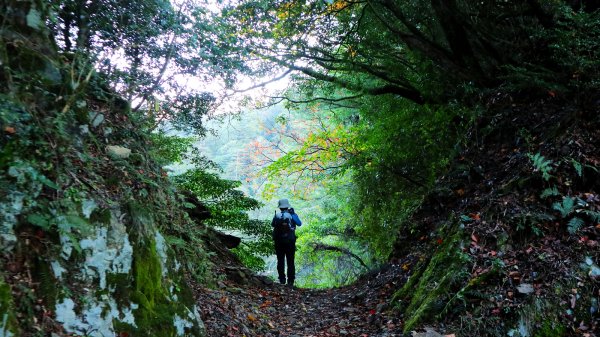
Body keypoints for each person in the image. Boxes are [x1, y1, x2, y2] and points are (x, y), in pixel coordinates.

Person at [271, 198, 302, 287]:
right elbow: (299, 224)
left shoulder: (277, 215)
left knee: (280, 260)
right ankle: (290, 281)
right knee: (290, 261)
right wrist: (292, 214)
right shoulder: (292, 215)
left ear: (280, 207)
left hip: (279, 242)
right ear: (287, 206)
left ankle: (282, 279)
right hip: (290, 241)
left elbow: (273, 224)